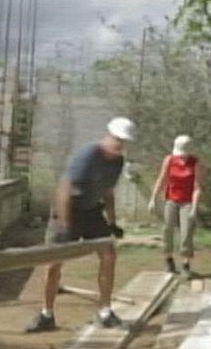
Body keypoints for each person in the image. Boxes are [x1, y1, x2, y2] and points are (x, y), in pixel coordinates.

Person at [25, 117, 135, 332]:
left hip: (92, 211)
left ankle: (105, 312)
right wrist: (65, 226)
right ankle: (46, 314)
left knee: (109, 255)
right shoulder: (88, 155)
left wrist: (112, 223)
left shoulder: (118, 162)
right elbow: (65, 189)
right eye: (117, 139)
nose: (119, 144)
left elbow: (108, 191)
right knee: (53, 263)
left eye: (123, 141)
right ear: (109, 135)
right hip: (67, 209)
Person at [147, 135, 201, 277]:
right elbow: (161, 179)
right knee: (167, 229)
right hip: (171, 199)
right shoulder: (169, 160)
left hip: (187, 202)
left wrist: (194, 207)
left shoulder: (195, 162)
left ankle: (185, 264)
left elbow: (197, 187)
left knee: (186, 232)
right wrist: (153, 198)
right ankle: (168, 260)